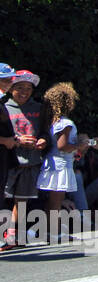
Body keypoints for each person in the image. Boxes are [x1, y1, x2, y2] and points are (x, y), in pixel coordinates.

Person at [3, 70, 51, 248]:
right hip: (9, 161)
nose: (24, 91)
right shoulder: (4, 108)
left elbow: (46, 132)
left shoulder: (38, 109)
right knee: (4, 196)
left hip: (31, 161)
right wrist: (18, 140)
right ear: (11, 89)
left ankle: (15, 233)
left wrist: (43, 141)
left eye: (28, 88)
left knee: (22, 199)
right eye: (20, 87)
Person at [36, 82, 79, 228]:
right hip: (60, 165)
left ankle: (52, 229)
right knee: (57, 200)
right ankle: (55, 230)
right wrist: (80, 145)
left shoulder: (52, 121)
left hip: (52, 163)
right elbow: (62, 146)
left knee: (54, 200)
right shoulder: (65, 123)